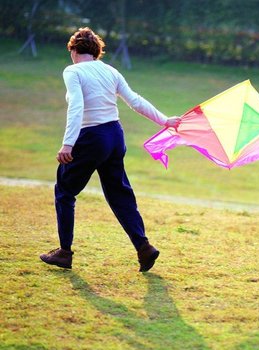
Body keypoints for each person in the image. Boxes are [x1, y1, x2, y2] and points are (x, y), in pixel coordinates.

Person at [40, 27, 181, 272]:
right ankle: (144, 247)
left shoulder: (73, 71)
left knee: (64, 192)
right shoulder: (110, 71)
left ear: (73, 50)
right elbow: (135, 101)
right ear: (96, 51)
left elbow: (76, 105)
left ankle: (64, 252)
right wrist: (165, 120)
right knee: (119, 193)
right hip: (115, 135)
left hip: (91, 136)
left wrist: (68, 143)